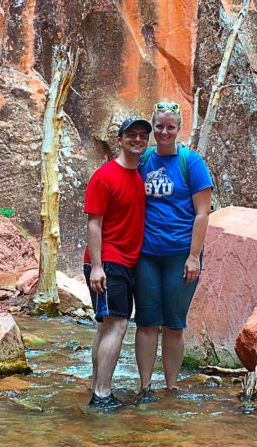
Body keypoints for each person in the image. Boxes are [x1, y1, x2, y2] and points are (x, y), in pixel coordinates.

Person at [134, 100, 213, 399]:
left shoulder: (191, 163)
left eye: (170, 127)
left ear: (179, 129)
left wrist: (194, 256)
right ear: (153, 127)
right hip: (147, 254)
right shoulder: (144, 161)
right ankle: (145, 386)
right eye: (159, 126)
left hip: (181, 254)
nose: (164, 132)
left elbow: (202, 213)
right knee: (146, 321)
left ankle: (171, 386)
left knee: (174, 323)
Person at [83, 116, 152, 410]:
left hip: (125, 262)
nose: (138, 140)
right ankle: (101, 395)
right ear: (120, 139)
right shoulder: (105, 176)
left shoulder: (137, 175)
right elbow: (93, 224)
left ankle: (97, 388)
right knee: (118, 324)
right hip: (109, 261)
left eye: (142, 136)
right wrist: (97, 266)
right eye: (132, 135)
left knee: (105, 326)